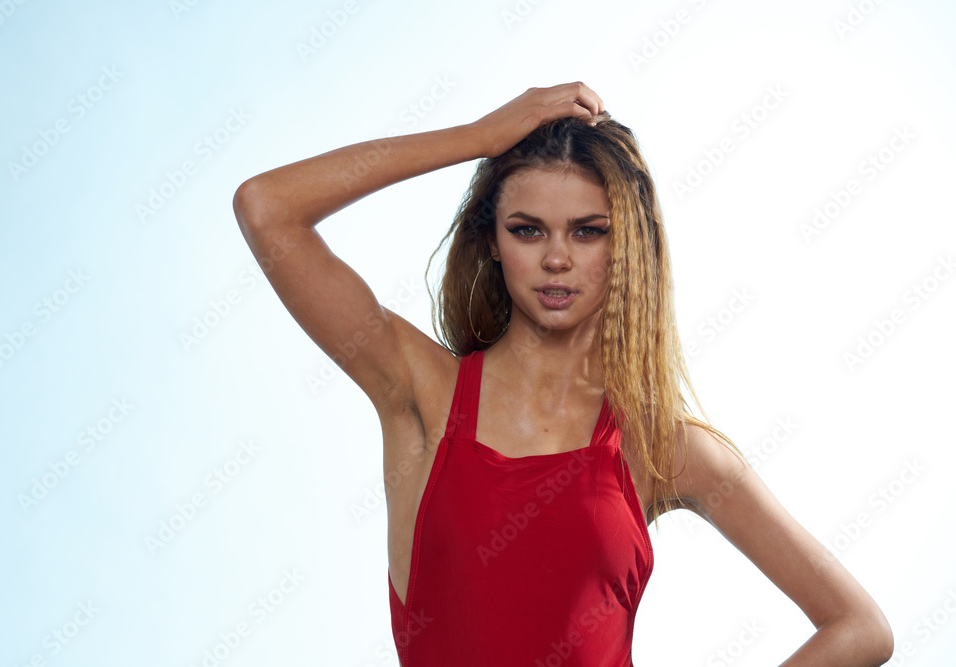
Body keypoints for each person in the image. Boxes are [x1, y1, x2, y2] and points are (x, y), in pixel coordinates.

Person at [232, 82, 893, 666]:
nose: (556, 258)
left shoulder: (662, 447)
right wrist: (478, 139)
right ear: (493, 241)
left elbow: (860, 628)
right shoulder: (421, 393)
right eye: (527, 230)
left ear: (626, 242)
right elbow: (266, 207)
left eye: (587, 231)